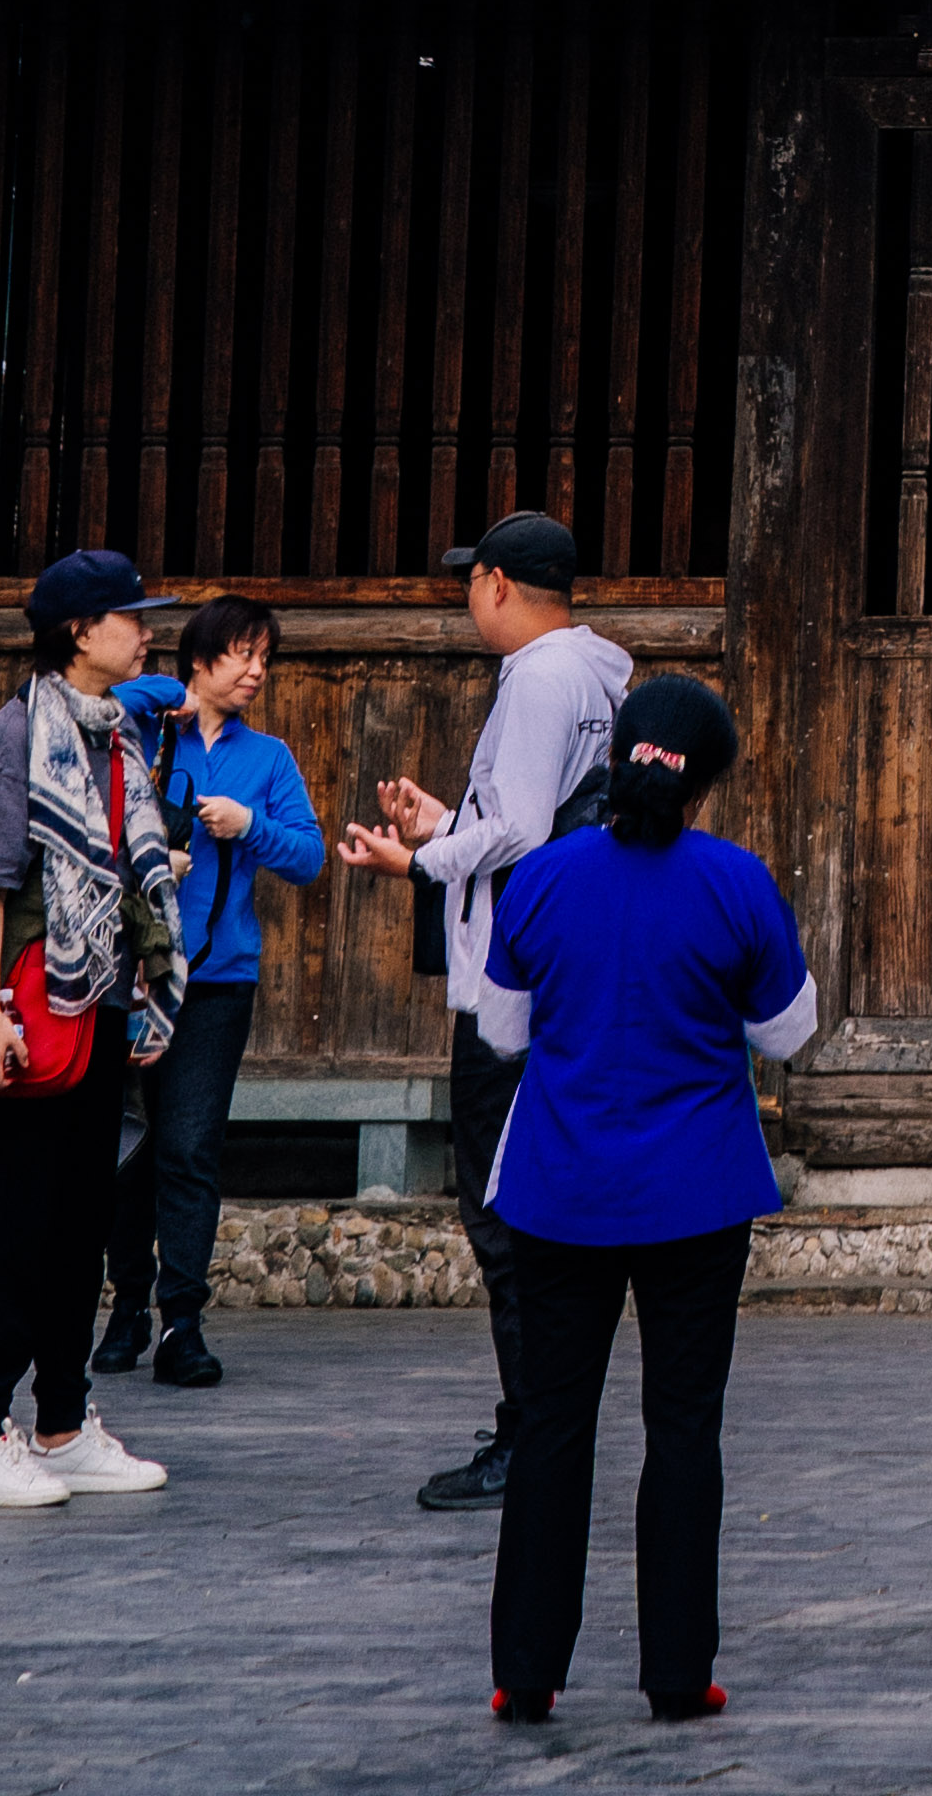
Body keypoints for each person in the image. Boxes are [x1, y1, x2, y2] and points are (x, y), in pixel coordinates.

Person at [478, 672, 814, 1729]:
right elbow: (790, 1032)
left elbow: (499, 1028)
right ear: (706, 777)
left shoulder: (540, 877)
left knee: (551, 1428)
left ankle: (526, 1672)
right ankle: (678, 1673)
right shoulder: (738, 881)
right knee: (683, 1429)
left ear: (616, 753)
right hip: (697, 1190)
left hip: (559, 1185)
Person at [337, 510, 630, 1513]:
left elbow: (520, 831)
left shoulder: (543, 677)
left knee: (501, 1211)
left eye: (472, 581)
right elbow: (529, 816)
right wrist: (446, 822)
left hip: (513, 983)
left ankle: (534, 1430)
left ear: (499, 583)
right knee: (520, 1205)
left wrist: (416, 855)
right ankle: (538, 1417)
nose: (467, 598)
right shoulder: (592, 673)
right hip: (542, 968)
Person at [0, 551, 186, 1511]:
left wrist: (149, 990)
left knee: (82, 1225)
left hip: (102, 1009)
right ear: (80, 632)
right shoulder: (16, 738)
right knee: (18, 1226)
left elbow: (129, 877)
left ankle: (64, 1422)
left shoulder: (118, 736)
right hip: (34, 1014)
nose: (147, 630)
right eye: (131, 617)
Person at [96, 589, 326, 1390]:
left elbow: (309, 856)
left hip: (218, 980)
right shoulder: (143, 730)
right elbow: (102, 700)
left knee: (191, 1148)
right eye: (244, 654)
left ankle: (181, 1321)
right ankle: (125, 1307)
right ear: (200, 659)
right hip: (127, 974)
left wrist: (247, 826)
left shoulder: (269, 760)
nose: (259, 671)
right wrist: (178, 700)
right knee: (128, 1148)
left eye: (267, 657)